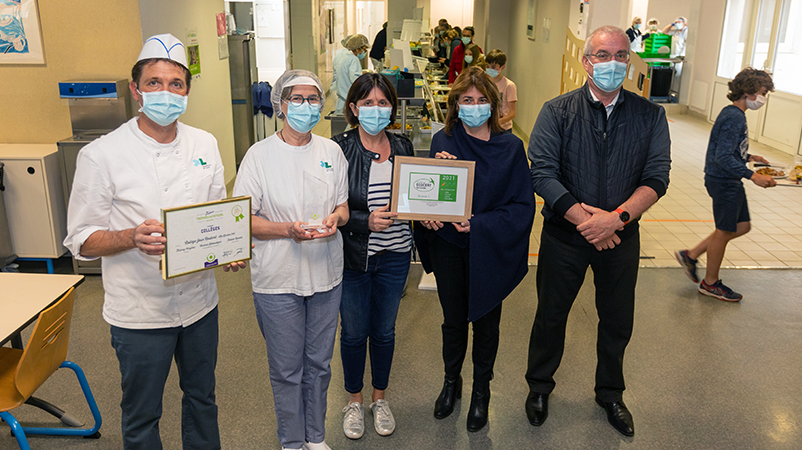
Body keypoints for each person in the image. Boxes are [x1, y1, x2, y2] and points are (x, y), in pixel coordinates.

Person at [64, 33, 245, 450]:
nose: (166, 93)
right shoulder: (103, 154)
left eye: (176, 84)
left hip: (200, 304)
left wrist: (229, 249)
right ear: (136, 90)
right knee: (143, 412)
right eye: (154, 83)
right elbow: (82, 240)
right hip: (140, 312)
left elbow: (216, 211)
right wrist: (131, 236)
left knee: (203, 399)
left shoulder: (204, 143)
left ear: (187, 91)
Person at [525, 26, 671, 437]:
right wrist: (588, 223)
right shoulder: (557, 111)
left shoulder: (650, 115)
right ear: (586, 61)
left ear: (630, 61)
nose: (613, 63)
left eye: (621, 55)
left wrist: (617, 219)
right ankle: (539, 387)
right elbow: (543, 173)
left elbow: (657, 176)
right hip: (564, 237)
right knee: (551, 316)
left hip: (621, 238)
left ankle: (610, 393)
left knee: (616, 320)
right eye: (603, 55)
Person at [233, 69, 349, 450]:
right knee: (286, 369)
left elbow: (343, 206)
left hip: (325, 275)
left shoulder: (331, 151)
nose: (306, 106)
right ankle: (292, 441)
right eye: (296, 99)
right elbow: (244, 220)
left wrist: (337, 219)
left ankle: (316, 437)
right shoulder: (259, 156)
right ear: (280, 105)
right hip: (277, 278)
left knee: (319, 364)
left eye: (313, 99)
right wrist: (288, 230)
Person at [415, 66, 535, 432]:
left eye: (482, 100)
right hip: (450, 245)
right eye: (467, 100)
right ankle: (452, 382)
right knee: (453, 322)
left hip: (489, 248)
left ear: (494, 104)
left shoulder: (511, 148)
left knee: (486, 323)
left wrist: (479, 224)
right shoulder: (443, 141)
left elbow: (521, 206)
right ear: (455, 104)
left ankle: (481, 390)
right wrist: (429, 212)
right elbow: (429, 195)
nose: (474, 106)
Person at [332, 73, 414, 440]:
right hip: (354, 258)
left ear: (392, 109)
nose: (376, 110)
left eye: (383, 103)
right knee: (353, 334)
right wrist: (366, 222)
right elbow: (332, 207)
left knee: (383, 332)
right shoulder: (338, 149)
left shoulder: (404, 146)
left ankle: (379, 399)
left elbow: (418, 192)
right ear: (353, 108)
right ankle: (354, 401)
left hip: (395, 257)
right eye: (368, 103)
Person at [676, 68, 776, 302]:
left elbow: (729, 149)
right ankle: (710, 283)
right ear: (748, 92)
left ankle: (691, 255)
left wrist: (750, 157)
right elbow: (723, 157)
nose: (763, 99)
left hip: (727, 179)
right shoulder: (734, 116)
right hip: (723, 181)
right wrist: (754, 177)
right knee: (724, 230)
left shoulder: (735, 114)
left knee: (742, 226)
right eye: (762, 93)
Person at [334, 34, 370, 114]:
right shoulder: (353, 59)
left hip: (342, 101)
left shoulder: (345, 57)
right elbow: (356, 81)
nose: (364, 52)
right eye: (363, 49)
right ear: (357, 49)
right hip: (348, 102)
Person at [485, 49, 517, 134]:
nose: (489, 69)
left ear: (502, 67)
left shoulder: (509, 85)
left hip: (503, 128)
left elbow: (512, 113)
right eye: (487, 66)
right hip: (486, 127)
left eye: (493, 67)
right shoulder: (485, 83)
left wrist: (498, 121)